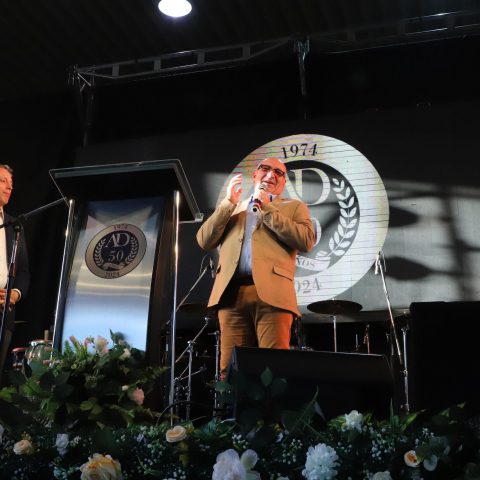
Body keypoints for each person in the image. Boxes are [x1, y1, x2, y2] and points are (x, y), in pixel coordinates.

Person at [197, 157, 315, 378]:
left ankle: (270, 404)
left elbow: (306, 240)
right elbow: (204, 240)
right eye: (265, 169)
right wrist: (227, 203)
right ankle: (230, 403)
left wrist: (267, 208)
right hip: (231, 295)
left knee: (274, 368)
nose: (271, 175)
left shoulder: (293, 207)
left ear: (283, 182)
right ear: (255, 175)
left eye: (278, 173)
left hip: (273, 296)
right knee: (229, 371)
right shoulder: (233, 208)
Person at [0, 164, 30, 385]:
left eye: (11, 184)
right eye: (3, 181)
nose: (9, 188)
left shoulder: (14, 226)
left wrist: (13, 294)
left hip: (4, 314)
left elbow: (24, 272)